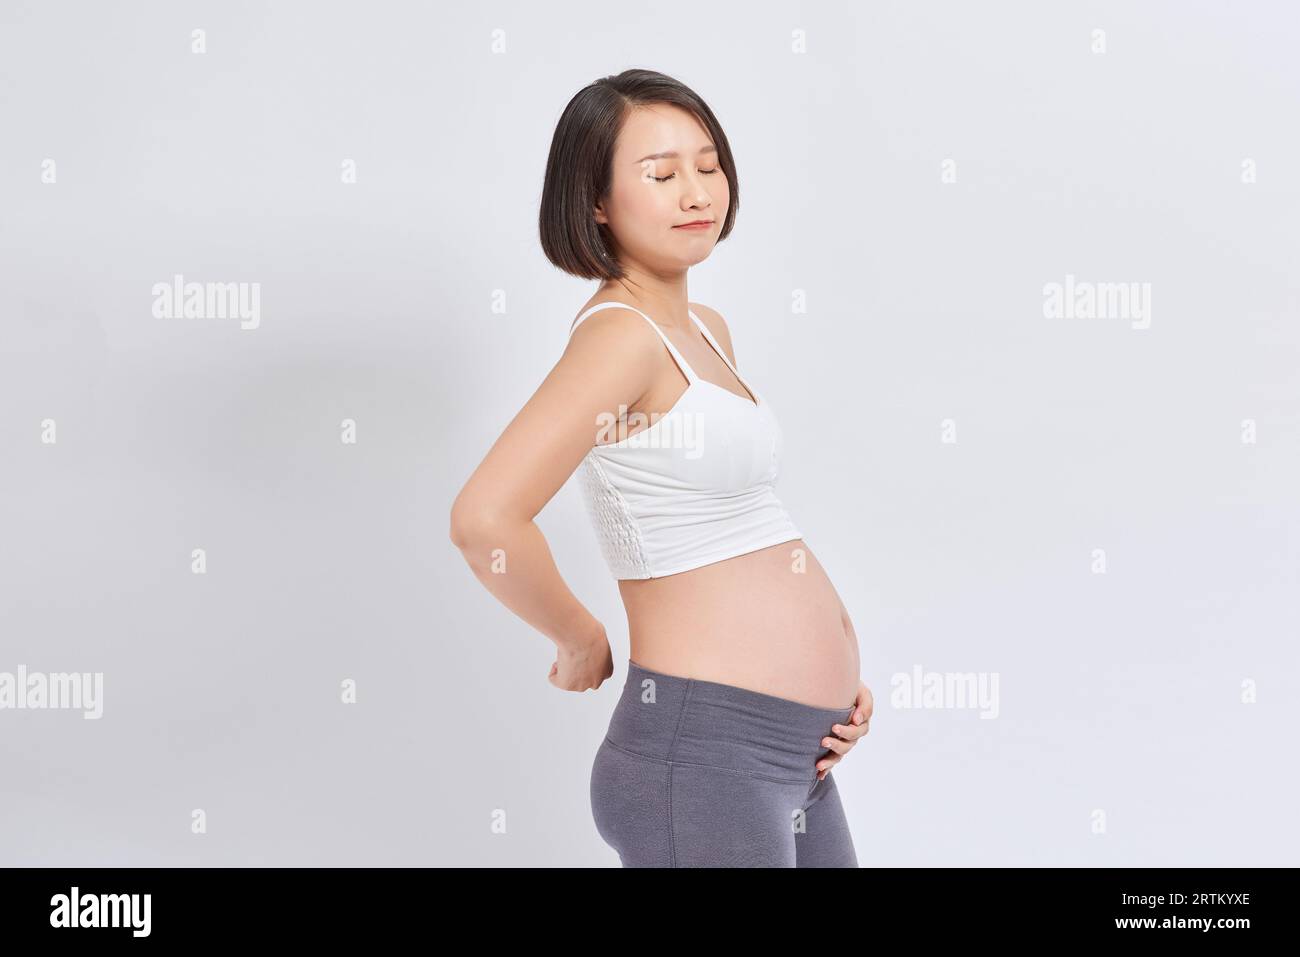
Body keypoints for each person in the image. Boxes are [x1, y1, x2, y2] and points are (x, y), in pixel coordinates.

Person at [450, 68, 873, 867]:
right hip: (705, 756)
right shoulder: (620, 339)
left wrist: (827, 690)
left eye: (708, 165)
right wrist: (578, 637)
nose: (695, 192)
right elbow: (484, 518)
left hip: (794, 755)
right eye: (661, 173)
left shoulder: (702, 327)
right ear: (597, 202)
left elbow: (736, 524)